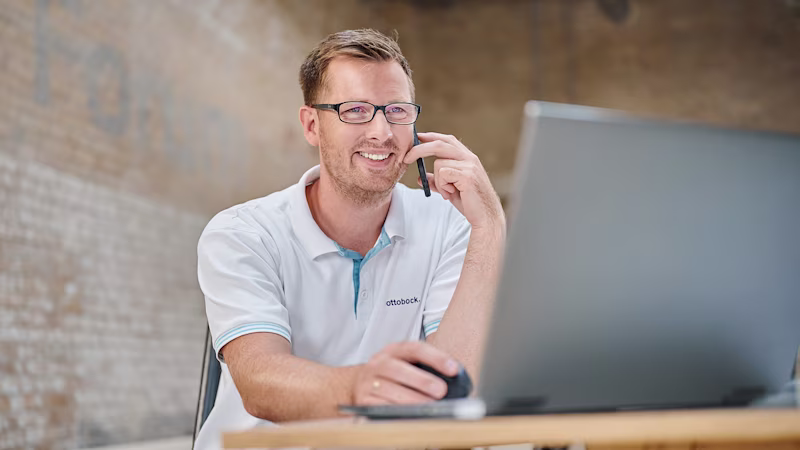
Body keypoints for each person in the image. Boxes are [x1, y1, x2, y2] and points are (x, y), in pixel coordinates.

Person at [194, 28, 505, 449]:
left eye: (396, 110)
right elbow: (259, 382)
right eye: (355, 110)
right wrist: (363, 387)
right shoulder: (242, 234)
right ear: (312, 125)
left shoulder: (448, 225)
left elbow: (455, 385)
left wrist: (490, 230)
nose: (381, 132)